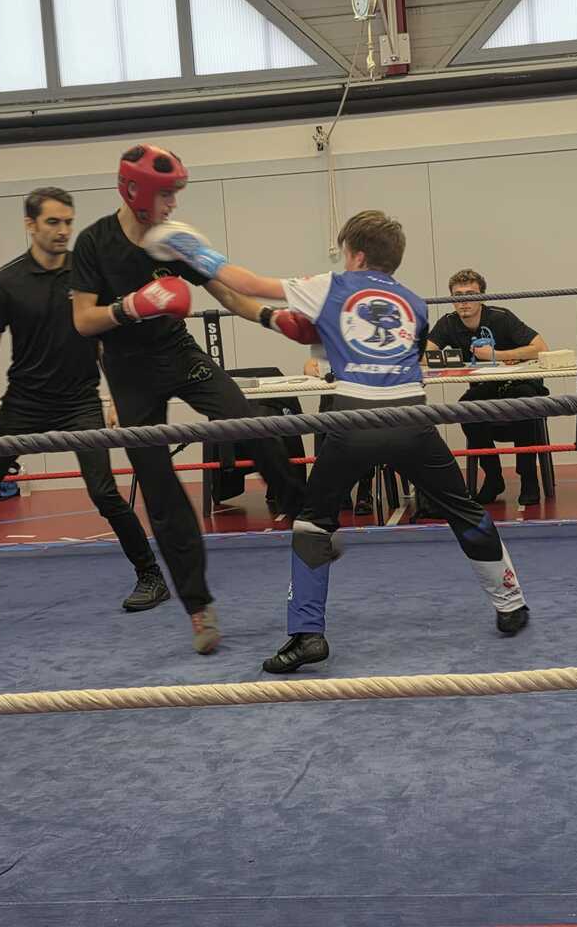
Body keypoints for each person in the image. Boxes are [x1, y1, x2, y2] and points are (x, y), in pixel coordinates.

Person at [140, 210, 530, 673]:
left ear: (356, 255)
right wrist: (243, 301)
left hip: (354, 421)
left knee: (312, 524)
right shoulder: (415, 304)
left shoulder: (333, 285)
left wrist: (191, 252)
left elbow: (247, 284)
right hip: (413, 419)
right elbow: (303, 326)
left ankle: (307, 634)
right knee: (463, 509)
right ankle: (511, 603)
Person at [0, 188, 169, 619]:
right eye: (53, 222)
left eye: (68, 222)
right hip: (24, 403)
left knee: (103, 492)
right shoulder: (6, 282)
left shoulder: (86, 274)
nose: (63, 231)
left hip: (79, 401)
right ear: (30, 225)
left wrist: (115, 398)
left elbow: (105, 342)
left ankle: (151, 576)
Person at [70, 143, 305, 655]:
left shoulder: (175, 240)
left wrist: (271, 318)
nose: (174, 204)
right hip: (129, 373)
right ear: (137, 193)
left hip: (178, 354)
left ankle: (303, 517)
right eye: (166, 195)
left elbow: (225, 291)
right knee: (160, 490)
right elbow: (83, 320)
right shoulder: (93, 243)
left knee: (248, 420)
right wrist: (132, 307)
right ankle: (198, 607)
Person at [427, 269, 549, 507]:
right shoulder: (448, 323)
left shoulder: (501, 317)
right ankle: (493, 478)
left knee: (523, 404)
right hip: (487, 387)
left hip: (520, 384)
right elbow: (423, 354)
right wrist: (445, 360)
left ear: (482, 296)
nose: (464, 301)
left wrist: (497, 355)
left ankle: (528, 478)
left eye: (470, 294)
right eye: (458, 296)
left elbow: (541, 348)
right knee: (466, 408)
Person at [303, 356, 374, 516]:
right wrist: (316, 370)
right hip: (333, 405)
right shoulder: (330, 346)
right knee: (325, 422)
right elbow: (310, 365)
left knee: (364, 428)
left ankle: (364, 490)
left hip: (363, 401)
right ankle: (340, 490)